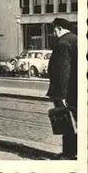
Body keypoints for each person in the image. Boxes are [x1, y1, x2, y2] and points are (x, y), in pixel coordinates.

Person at [47, 18, 77, 160]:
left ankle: (68, 153)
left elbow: (62, 72)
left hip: (68, 92)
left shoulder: (62, 44)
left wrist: (61, 95)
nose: (53, 34)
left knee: (68, 123)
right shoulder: (76, 39)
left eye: (53, 30)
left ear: (58, 29)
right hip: (77, 89)